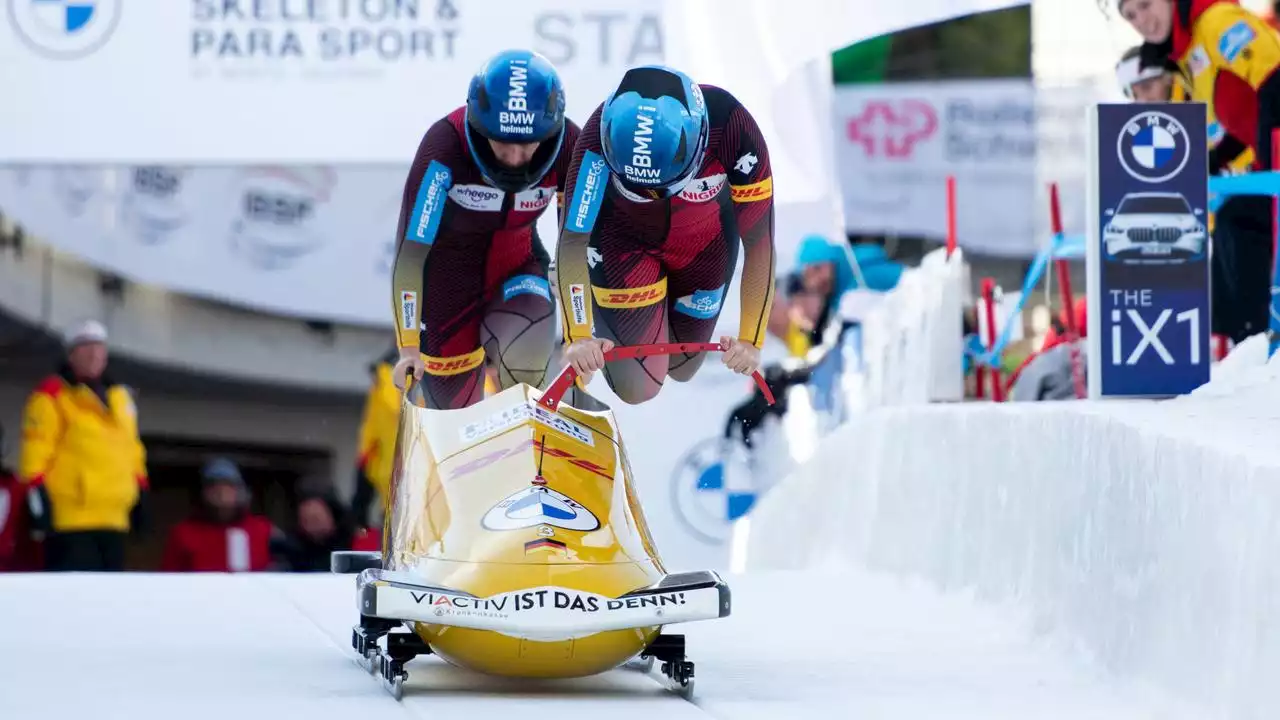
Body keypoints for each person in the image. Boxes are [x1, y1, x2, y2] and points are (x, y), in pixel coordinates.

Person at [555, 65, 776, 403]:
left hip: (704, 245)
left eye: (661, 187)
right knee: (638, 386)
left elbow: (760, 244)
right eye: (638, 188)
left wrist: (751, 339)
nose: (651, 196)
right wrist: (578, 335)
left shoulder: (733, 128)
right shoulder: (595, 142)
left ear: (699, 142)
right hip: (623, 243)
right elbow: (573, 239)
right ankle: (592, 311)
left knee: (683, 366)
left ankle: (619, 313)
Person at [390, 49, 581, 409]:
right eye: (502, 143)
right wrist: (409, 347)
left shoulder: (571, 145)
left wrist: (579, 333)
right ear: (479, 129)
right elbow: (411, 254)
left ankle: (524, 436)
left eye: (527, 145)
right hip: (447, 293)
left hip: (518, 271)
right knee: (453, 415)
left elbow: (577, 243)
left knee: (525, 356)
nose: (514, 158)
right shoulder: (444, 147)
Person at [19, 320, 148, 571]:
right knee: (74, 599)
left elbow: (132, 450)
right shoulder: (52, 396)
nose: (93, 354)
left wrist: (141, 491)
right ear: (70, 355)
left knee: (107, 601)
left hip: (114, 518)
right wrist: (36, 498)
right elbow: (36, 449)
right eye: (85, 347)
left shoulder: (120, 398)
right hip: (72, 519)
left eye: (99, 347)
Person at [1123, 0, 1280, 169]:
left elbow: (1275, 81)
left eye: (1145, 5)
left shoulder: (1217, 21)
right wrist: (1214, 160)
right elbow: (1245, 118)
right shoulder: (1184, 57)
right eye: (1131, 16)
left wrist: (1268, 165)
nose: (1141, 20)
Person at [160, 457, 284, 572]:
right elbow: (169, 579)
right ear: (203, 493)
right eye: (214, 487)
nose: (221, 492)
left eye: (229, 486)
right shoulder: (183, 533)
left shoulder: (265, 530)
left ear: (241, 491)